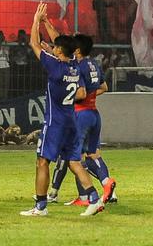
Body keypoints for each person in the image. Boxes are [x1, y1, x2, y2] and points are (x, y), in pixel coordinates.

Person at [20, 3, 103, 217]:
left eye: (55, 47)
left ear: (59, 52)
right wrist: (49, 23)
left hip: (54, 122)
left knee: (42, 161)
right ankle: (94, 198)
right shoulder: (76, 65)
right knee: (75, 161)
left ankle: (40, 206)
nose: (53, 47)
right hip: (71, 121)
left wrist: (36, 20)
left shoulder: (55, 67)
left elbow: (34, 43)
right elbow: (61, 43)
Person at [48, 32, 117, 206]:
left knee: (72, 157)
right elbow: (104, 87)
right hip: (94, 113)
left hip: (80, 115)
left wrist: (66, 97)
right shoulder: (93, 64)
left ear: (76, 50)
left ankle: (78, 196)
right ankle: (107, 184)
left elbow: (81, 93)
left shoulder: (78, 66)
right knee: (93, 155)